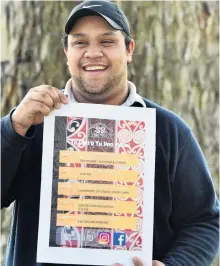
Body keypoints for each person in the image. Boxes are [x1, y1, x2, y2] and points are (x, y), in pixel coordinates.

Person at [1, 1, 219, 266]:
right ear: (66, 52)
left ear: (129, 50)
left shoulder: (169, 131)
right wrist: (12, 128)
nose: (93, 53)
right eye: (80, 43)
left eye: (107, 41)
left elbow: (204, 221)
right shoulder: (34, 123)